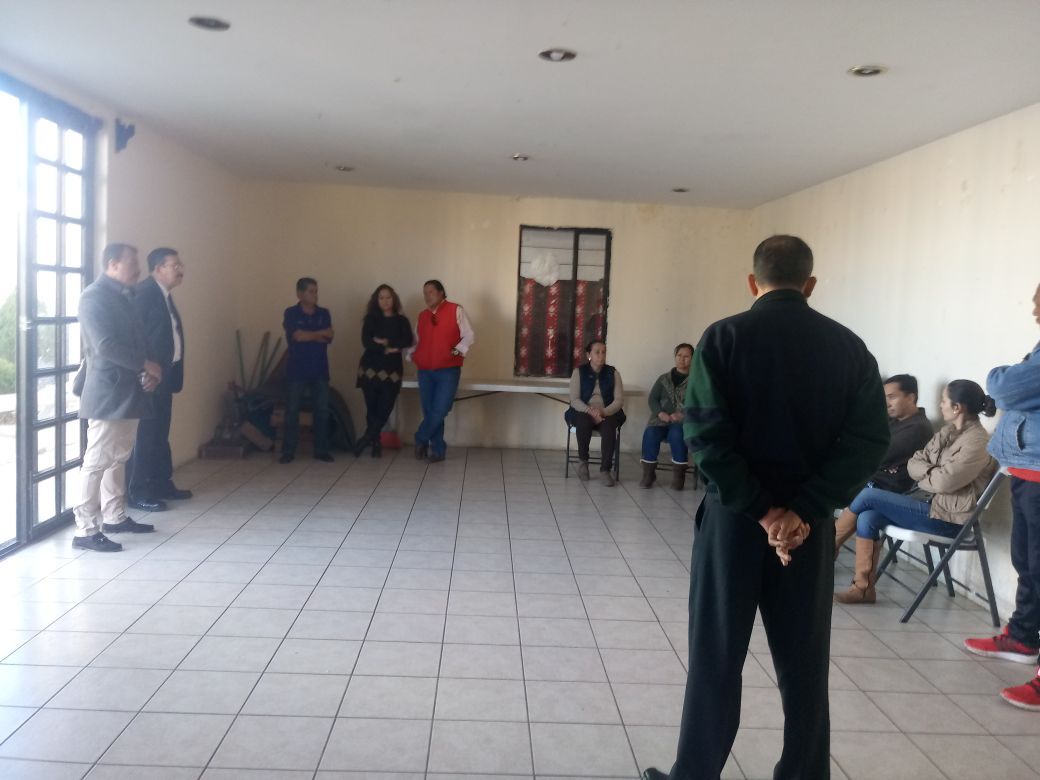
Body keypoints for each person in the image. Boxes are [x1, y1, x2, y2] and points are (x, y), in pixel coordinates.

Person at [641, 235, 889, 780]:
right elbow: (869, 442)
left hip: (733, 523)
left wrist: (761, 511)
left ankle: (695, 774)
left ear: (753, 282)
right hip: (807, 529)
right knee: (805, 663)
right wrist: (802, 510)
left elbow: (704, 435)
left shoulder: (723, 338)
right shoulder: (849, 348)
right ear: (810, 284)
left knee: (716, 656)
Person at [834, 379, 997, 604]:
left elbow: (945, 482)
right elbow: (914, 463)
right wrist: (933, 473)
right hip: (925, 504)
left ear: (957, 407)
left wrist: (927, 475)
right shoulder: (947, 432)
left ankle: (827, 549)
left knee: (868, 496)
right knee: (868, 517)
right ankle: (863, 589)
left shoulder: (977, 442)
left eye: (943, 401)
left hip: (948, 519)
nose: (940, 405)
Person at [963, 283, 1040, 710]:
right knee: (1027, 563)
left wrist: (1002, 375)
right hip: (1027, 469)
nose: (1034, 311)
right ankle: (1023, 638)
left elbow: (1004, 388)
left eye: (1039, 303)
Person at [73, 243, 163, 552]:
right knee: (97, 459)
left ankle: (114, 516)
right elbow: (105, 345)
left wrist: (149, 369)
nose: (137, 270)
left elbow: (140, 340)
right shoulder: (93, 297)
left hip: (130, 388)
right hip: (107, 392)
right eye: (132, 264)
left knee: (118, 455)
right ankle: (85, 529)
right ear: (112, 264)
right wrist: (145, 364)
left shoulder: (125, 296)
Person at [833, 373, 935, 553]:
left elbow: (877, 455)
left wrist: (870, 455)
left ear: (911, 397)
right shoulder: (893, 421)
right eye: (884, 397)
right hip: (875, 481)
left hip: (892, 490)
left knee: (838, 486)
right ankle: (825, 548)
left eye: (892, 397)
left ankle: (826, 548)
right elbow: (862, 442)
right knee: (831, 480)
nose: (886, 403)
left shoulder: (918, 428)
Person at [128, 247, 192, 512]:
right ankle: (138, 491)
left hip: (165, 376)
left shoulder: (163, 294)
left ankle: (161, 483)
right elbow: (134, 336)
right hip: (149, 379)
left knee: (160, 434)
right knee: (145, 435)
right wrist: (142, 370)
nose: (180, 270)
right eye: (174, 265)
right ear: (158, 269)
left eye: (180, 265)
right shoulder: (145, 293)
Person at [407, 279, 474, 463]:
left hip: (448, 370)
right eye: (424, 293)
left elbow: (469, 336)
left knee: (441, 408)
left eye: (430, 292)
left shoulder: (455, 310)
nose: (427, 296)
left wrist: (455, 352)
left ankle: (420, 437)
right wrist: (413, 356)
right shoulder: (422, 316)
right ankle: (438, 450)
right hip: (425, 371)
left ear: (441, 292)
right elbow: (415, 341)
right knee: (429, 410)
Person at [280, 277, 334, 464]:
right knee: (292, 410)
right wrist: (318, 334)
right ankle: (288, 451)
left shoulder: (323, 313)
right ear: (300, 294)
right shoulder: (291, 313)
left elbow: (329, 335)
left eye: (316, 291)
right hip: (296, 370)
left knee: (322, 411)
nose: (315, 295)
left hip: (320, 369)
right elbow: (297, 336)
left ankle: (321, 450)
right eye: (311, 291)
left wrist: (308, 335)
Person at [355, 284, 413, 457]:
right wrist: (387, 347)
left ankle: (367, 437)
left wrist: (385, 342)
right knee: (372, 408)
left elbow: (408, 340)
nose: (385, 301)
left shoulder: (402, 321)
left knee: (385, 406)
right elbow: (366, 341)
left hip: (392, 370)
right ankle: (376, 443)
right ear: (376, 300)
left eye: (388, 297)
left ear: (394, 299)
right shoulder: (371, 319)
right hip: (370, 369)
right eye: (381, 298)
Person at [566, 340, 626, 487]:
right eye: (597, 352)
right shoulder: (579, 372)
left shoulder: (613, 373)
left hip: (607, 412)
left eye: (603, 352)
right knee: (583, 422)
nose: (601, 355)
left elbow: (619, 401)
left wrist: (603, 412)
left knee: (609, 428)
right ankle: (583, 462)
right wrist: (590, 411)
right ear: (589, 354)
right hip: (583, 411)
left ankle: (605, 470)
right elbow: (574, 400)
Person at [639, 343, 694, 490]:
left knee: (677, 434)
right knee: (651, 433)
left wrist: (682, 414)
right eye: (679, 355)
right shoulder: (664, 379)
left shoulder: (695, 380)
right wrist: (660, 412)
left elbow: (699, 403)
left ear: (692, 359)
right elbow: (652, 399)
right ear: (675, 357)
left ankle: (679, 476)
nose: (682, 359)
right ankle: (648, 474)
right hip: (660, 420)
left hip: (682, 422)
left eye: (686, 356)